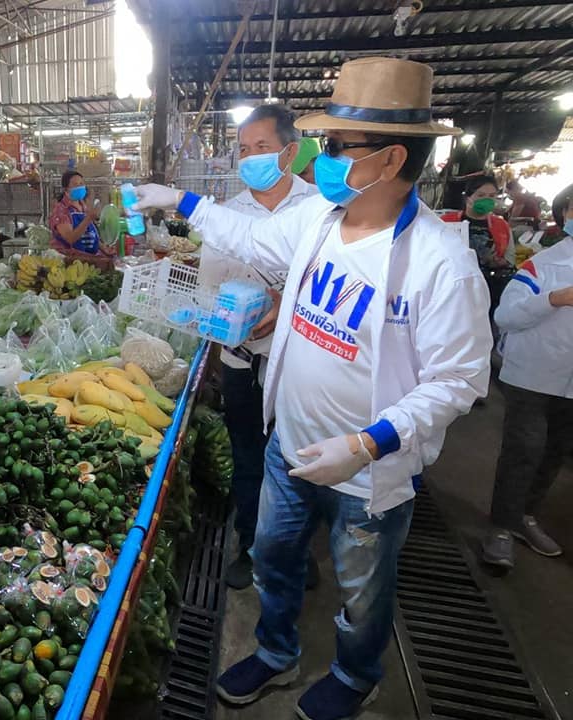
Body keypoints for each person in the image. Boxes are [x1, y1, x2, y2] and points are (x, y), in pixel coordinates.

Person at [133, 57, 491, 720]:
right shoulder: (322, 219)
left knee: (362, 585)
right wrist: (180, 201)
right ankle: (275, 652)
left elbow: (460, 379)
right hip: (289, 445)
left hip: (365, 467)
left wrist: (367, 441)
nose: (320, 160)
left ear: (388, 160)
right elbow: (251, 234)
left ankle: (357, 676)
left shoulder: (440, 263)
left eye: (334, 147)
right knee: (273, 556)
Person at [206, 103, 320, 591]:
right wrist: (231, 329)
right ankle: (250, 545)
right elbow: (212, 290)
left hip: (302, 364)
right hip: (242, 361)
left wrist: (284, 304)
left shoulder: (320, 208)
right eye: (244, 149)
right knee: (249, 456)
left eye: (262, 148)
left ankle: (295, 552)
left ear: (289, 152)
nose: (251, 158)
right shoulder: (227, 216)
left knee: (301, 461)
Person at [481, 183, 573, 569]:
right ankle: (500, 527)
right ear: (564, 213)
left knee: (554, 453)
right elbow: (505, 317)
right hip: (532, 376)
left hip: (570, 385)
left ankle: (525, 516)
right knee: (525, 451)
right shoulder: (544, 265)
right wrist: (554, 299)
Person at [441, 175, 514, 329]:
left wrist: (499, 262)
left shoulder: (501, 226)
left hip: (487, 289)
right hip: (450, 287)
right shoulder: (446, 222)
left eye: (492, 196)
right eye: (481, 195)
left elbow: (510, 257)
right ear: (468, 198)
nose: (487, 200)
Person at [49, 170, 112, 270]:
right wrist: (89, 218)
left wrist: (103, 248)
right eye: (75, 184)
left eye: (81, 183)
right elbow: (70, 238)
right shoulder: (61, 211)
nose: (79, 187)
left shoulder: (83, 206)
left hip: (89, 257)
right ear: (66, 189)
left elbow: (89, 232)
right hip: (70, 262)